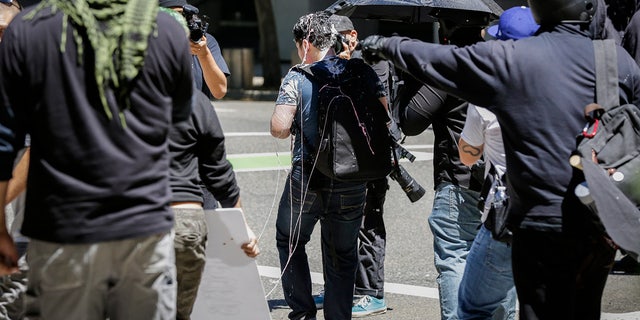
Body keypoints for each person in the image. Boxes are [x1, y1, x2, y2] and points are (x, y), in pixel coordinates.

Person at [359, 0, 640, 318]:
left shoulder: (515, 58)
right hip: (599, 219)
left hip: (538, 221)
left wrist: (386, 44)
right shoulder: (615, 60)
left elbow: (443, 60)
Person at [0, 0, 194, 319]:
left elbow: (6, 139)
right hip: (143, 229)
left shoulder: (28, 28)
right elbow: (177, 122)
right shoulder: (167, 30)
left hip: (60, 233)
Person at [270, 11, 387, 320]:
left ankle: (303, 313)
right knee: (343, 253)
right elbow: (383, 115)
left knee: (290, 239)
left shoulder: (299, 76)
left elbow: (280, 127)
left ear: (306, 43)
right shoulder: (362, 72)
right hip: (353, 174)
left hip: (307, 175)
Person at [388, 18, 488, 320]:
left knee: (454, 253)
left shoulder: (451, 67)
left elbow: (412, 121)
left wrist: (413, 79)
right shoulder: (505, 65)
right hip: (503, 177)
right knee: (495, 256)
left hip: (460, 175)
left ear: (446, 35)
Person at [456, 7, 540, 320]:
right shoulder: (564, 82)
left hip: (508, 215)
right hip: (560, 210)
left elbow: (467, 156)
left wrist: (468, 145)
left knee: (474, 307)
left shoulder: (487, 95)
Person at [168, 87, 260, 320]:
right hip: (184, 221)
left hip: (128, 222)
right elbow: (218, 172)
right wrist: (241, 226)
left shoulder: (106, 93)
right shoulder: (193, 98)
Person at [327, 14, 390, 318]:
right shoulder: (331, 65)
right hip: (342, 157)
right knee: (339, 223)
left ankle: (370, 292)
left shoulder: (372, 63)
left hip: (371, 156)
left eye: (336, 37)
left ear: (351, 35)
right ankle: (342, 287)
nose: (333, 44)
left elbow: (384, 110)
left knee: (368, 223)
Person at [159, 0, 231, 211]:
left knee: (208, 220)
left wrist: (203, 53)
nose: (178, 22)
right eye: (171, 15)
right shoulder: (148, 42)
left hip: (197, 146)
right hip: (159, 148)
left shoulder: (205, 42)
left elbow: (219, 90)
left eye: (183, 16)